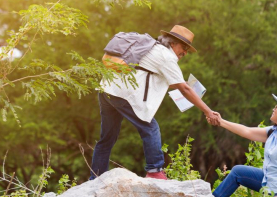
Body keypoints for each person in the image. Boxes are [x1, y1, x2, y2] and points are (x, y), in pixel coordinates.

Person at [90, 25, 219, 180]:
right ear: (172, 43)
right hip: (124, 94)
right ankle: (155, 171)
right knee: (151, 128)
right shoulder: (167, 56)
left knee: (107, 138)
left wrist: (185, 87)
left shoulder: (153, 48)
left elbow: (163, 80)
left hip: (107, 90)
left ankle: (96, 177)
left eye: (187, 49)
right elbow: (184, 89)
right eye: (183, 47)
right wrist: (208, 111)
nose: (185, 52)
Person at [207, 95, 277, 197]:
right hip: (268, 180)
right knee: (237, 172)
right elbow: (246, 131)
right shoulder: (274, 132)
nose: (273, 109)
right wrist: (221, 121)